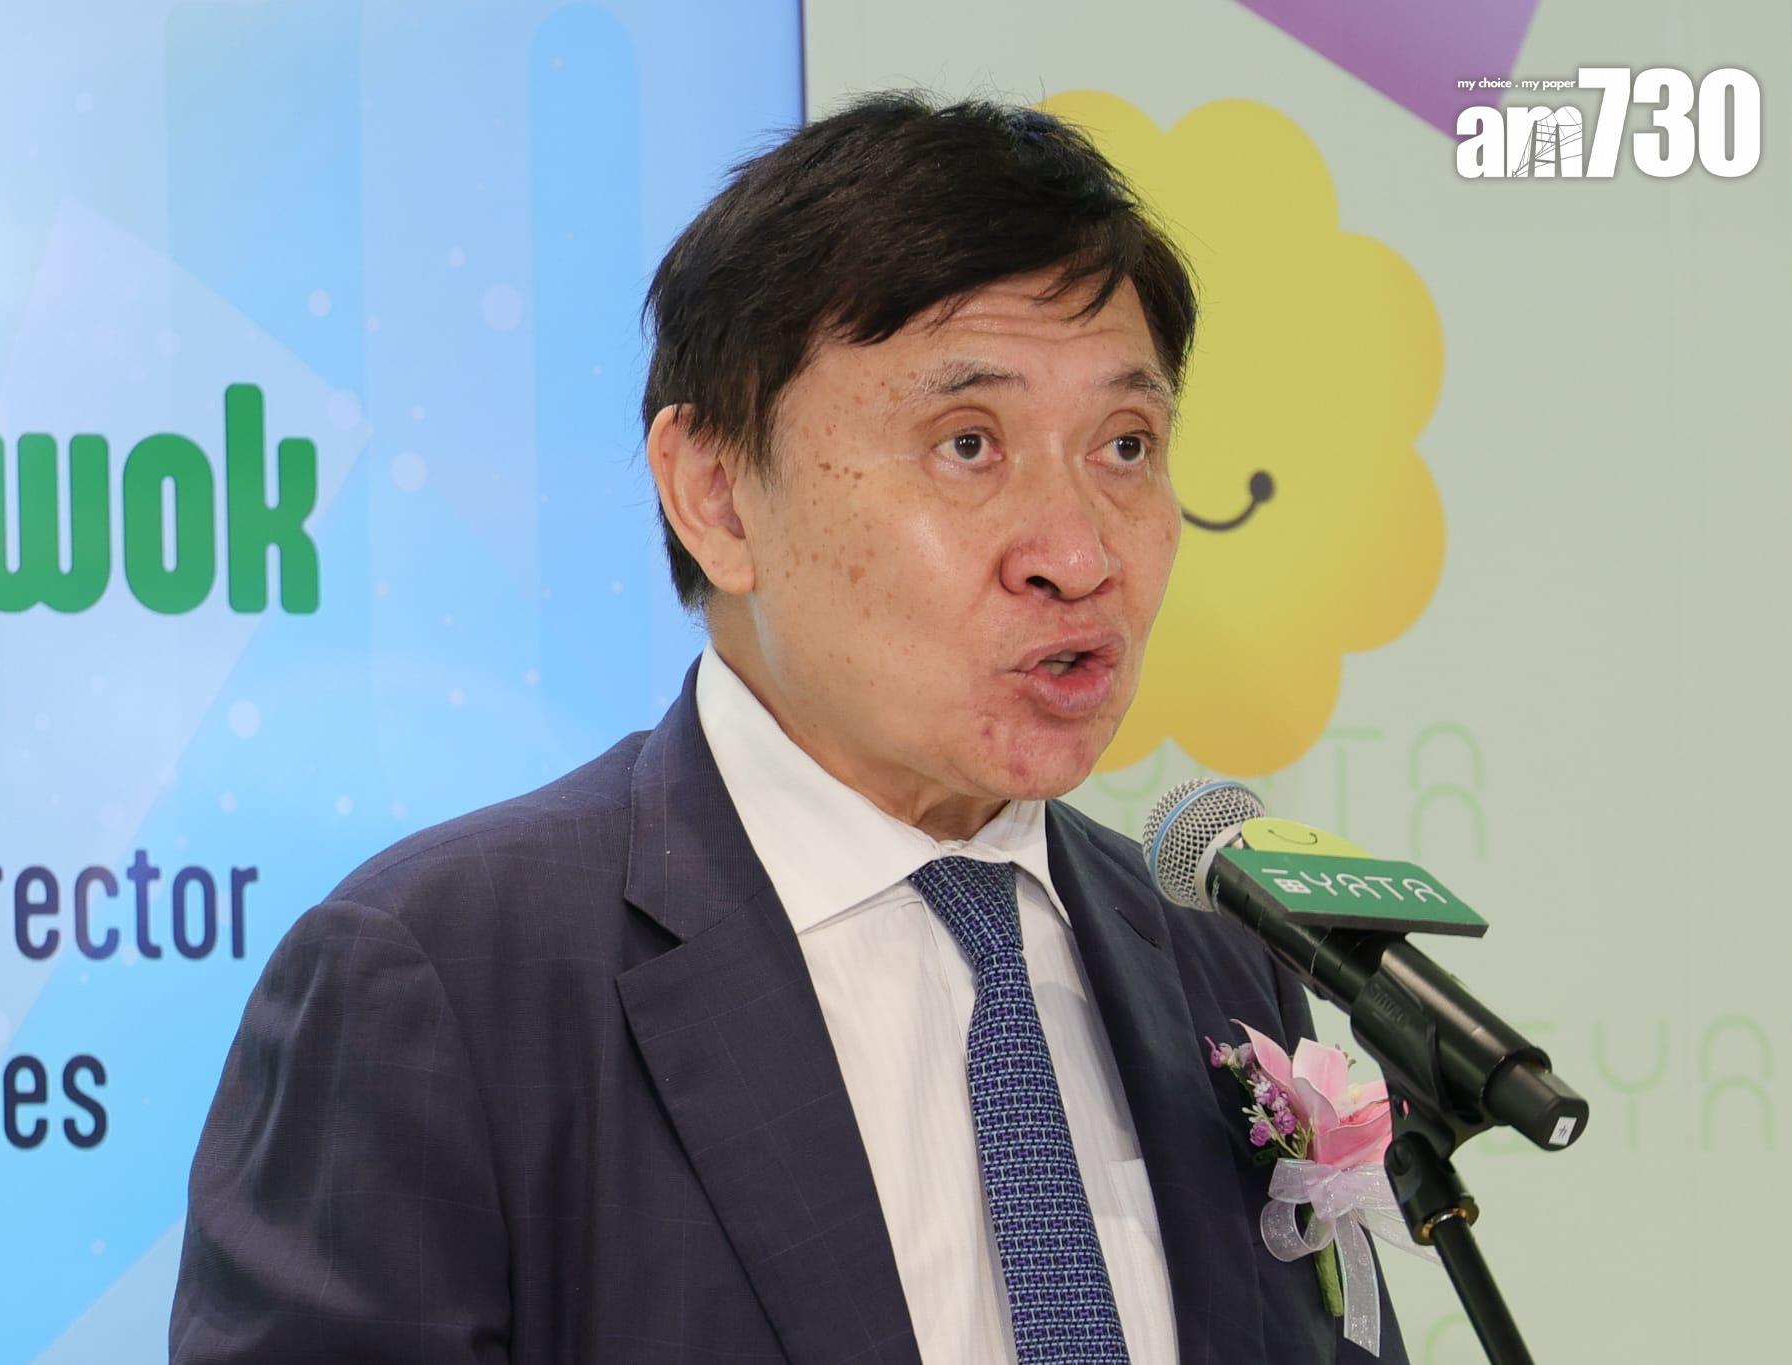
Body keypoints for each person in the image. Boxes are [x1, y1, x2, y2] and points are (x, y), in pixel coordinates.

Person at [169, 92, 1406, 1364]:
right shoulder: (442, 981)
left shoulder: (1218, 961)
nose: (1078, 553)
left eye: (1125, 445)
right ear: (715, 495)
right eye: (967, 443)